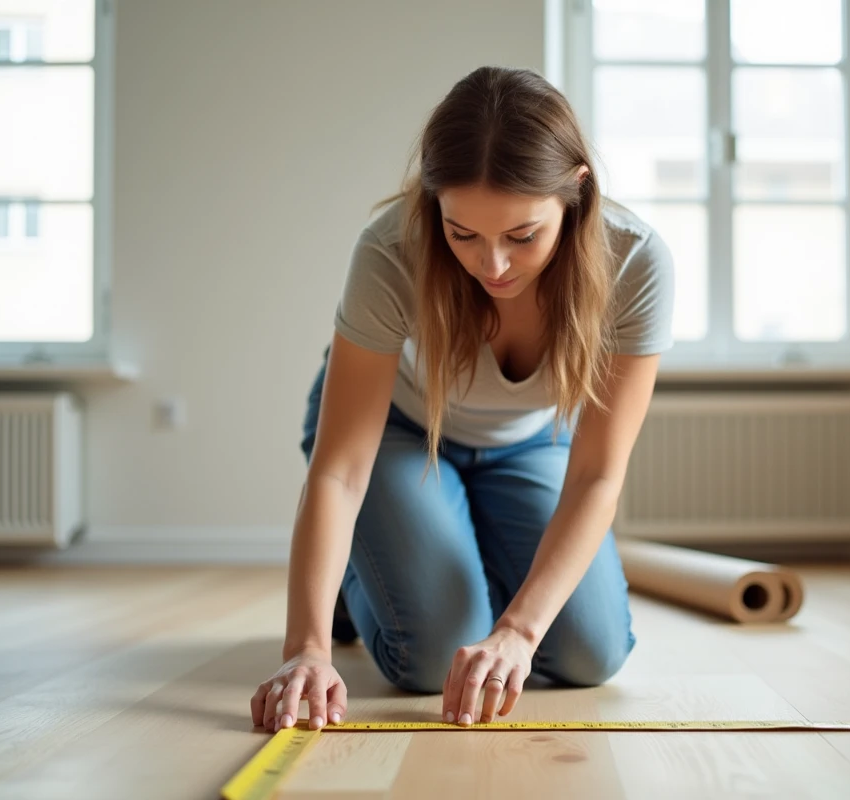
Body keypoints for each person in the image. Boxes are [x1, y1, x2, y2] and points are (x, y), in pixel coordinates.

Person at [251, 65, 674, 735]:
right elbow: (339, 470)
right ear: (433, 205)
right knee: (428, 657)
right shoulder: (390, 250)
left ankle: (443, 566)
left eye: (523, 236)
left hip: (528, 442)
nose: (494, 266)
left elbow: (596, 475)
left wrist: (517, 630)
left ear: (577, 195)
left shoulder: (635, 262)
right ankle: (358, 582)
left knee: (593, 652)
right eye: (464, 235)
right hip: (398, 432)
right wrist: (305, 650)